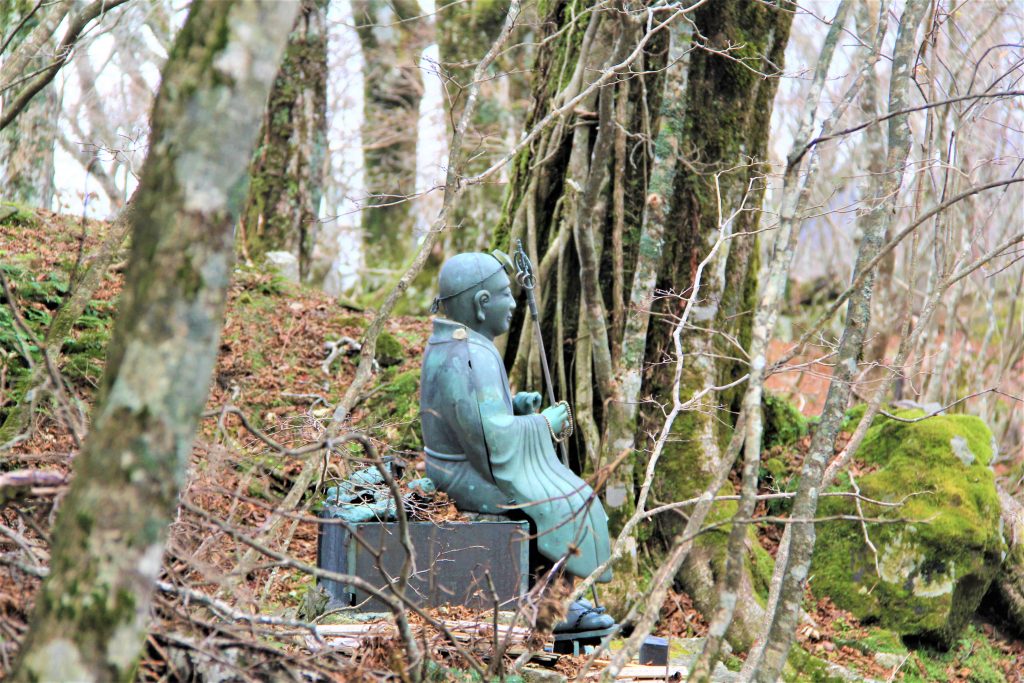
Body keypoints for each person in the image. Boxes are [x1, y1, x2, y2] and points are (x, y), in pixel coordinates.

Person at [419, 251, 615, 637]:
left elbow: (481, 417)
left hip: (460, 462)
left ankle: (552, 596)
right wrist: (543, 424)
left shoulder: (459, 344)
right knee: (555, 502)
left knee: (563, 494)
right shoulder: (468, 354)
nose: (513, 304)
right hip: (463, 472)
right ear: (481, 304)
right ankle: (547, 606)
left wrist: (517, 405)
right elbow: (492, 440)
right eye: (506, 295)